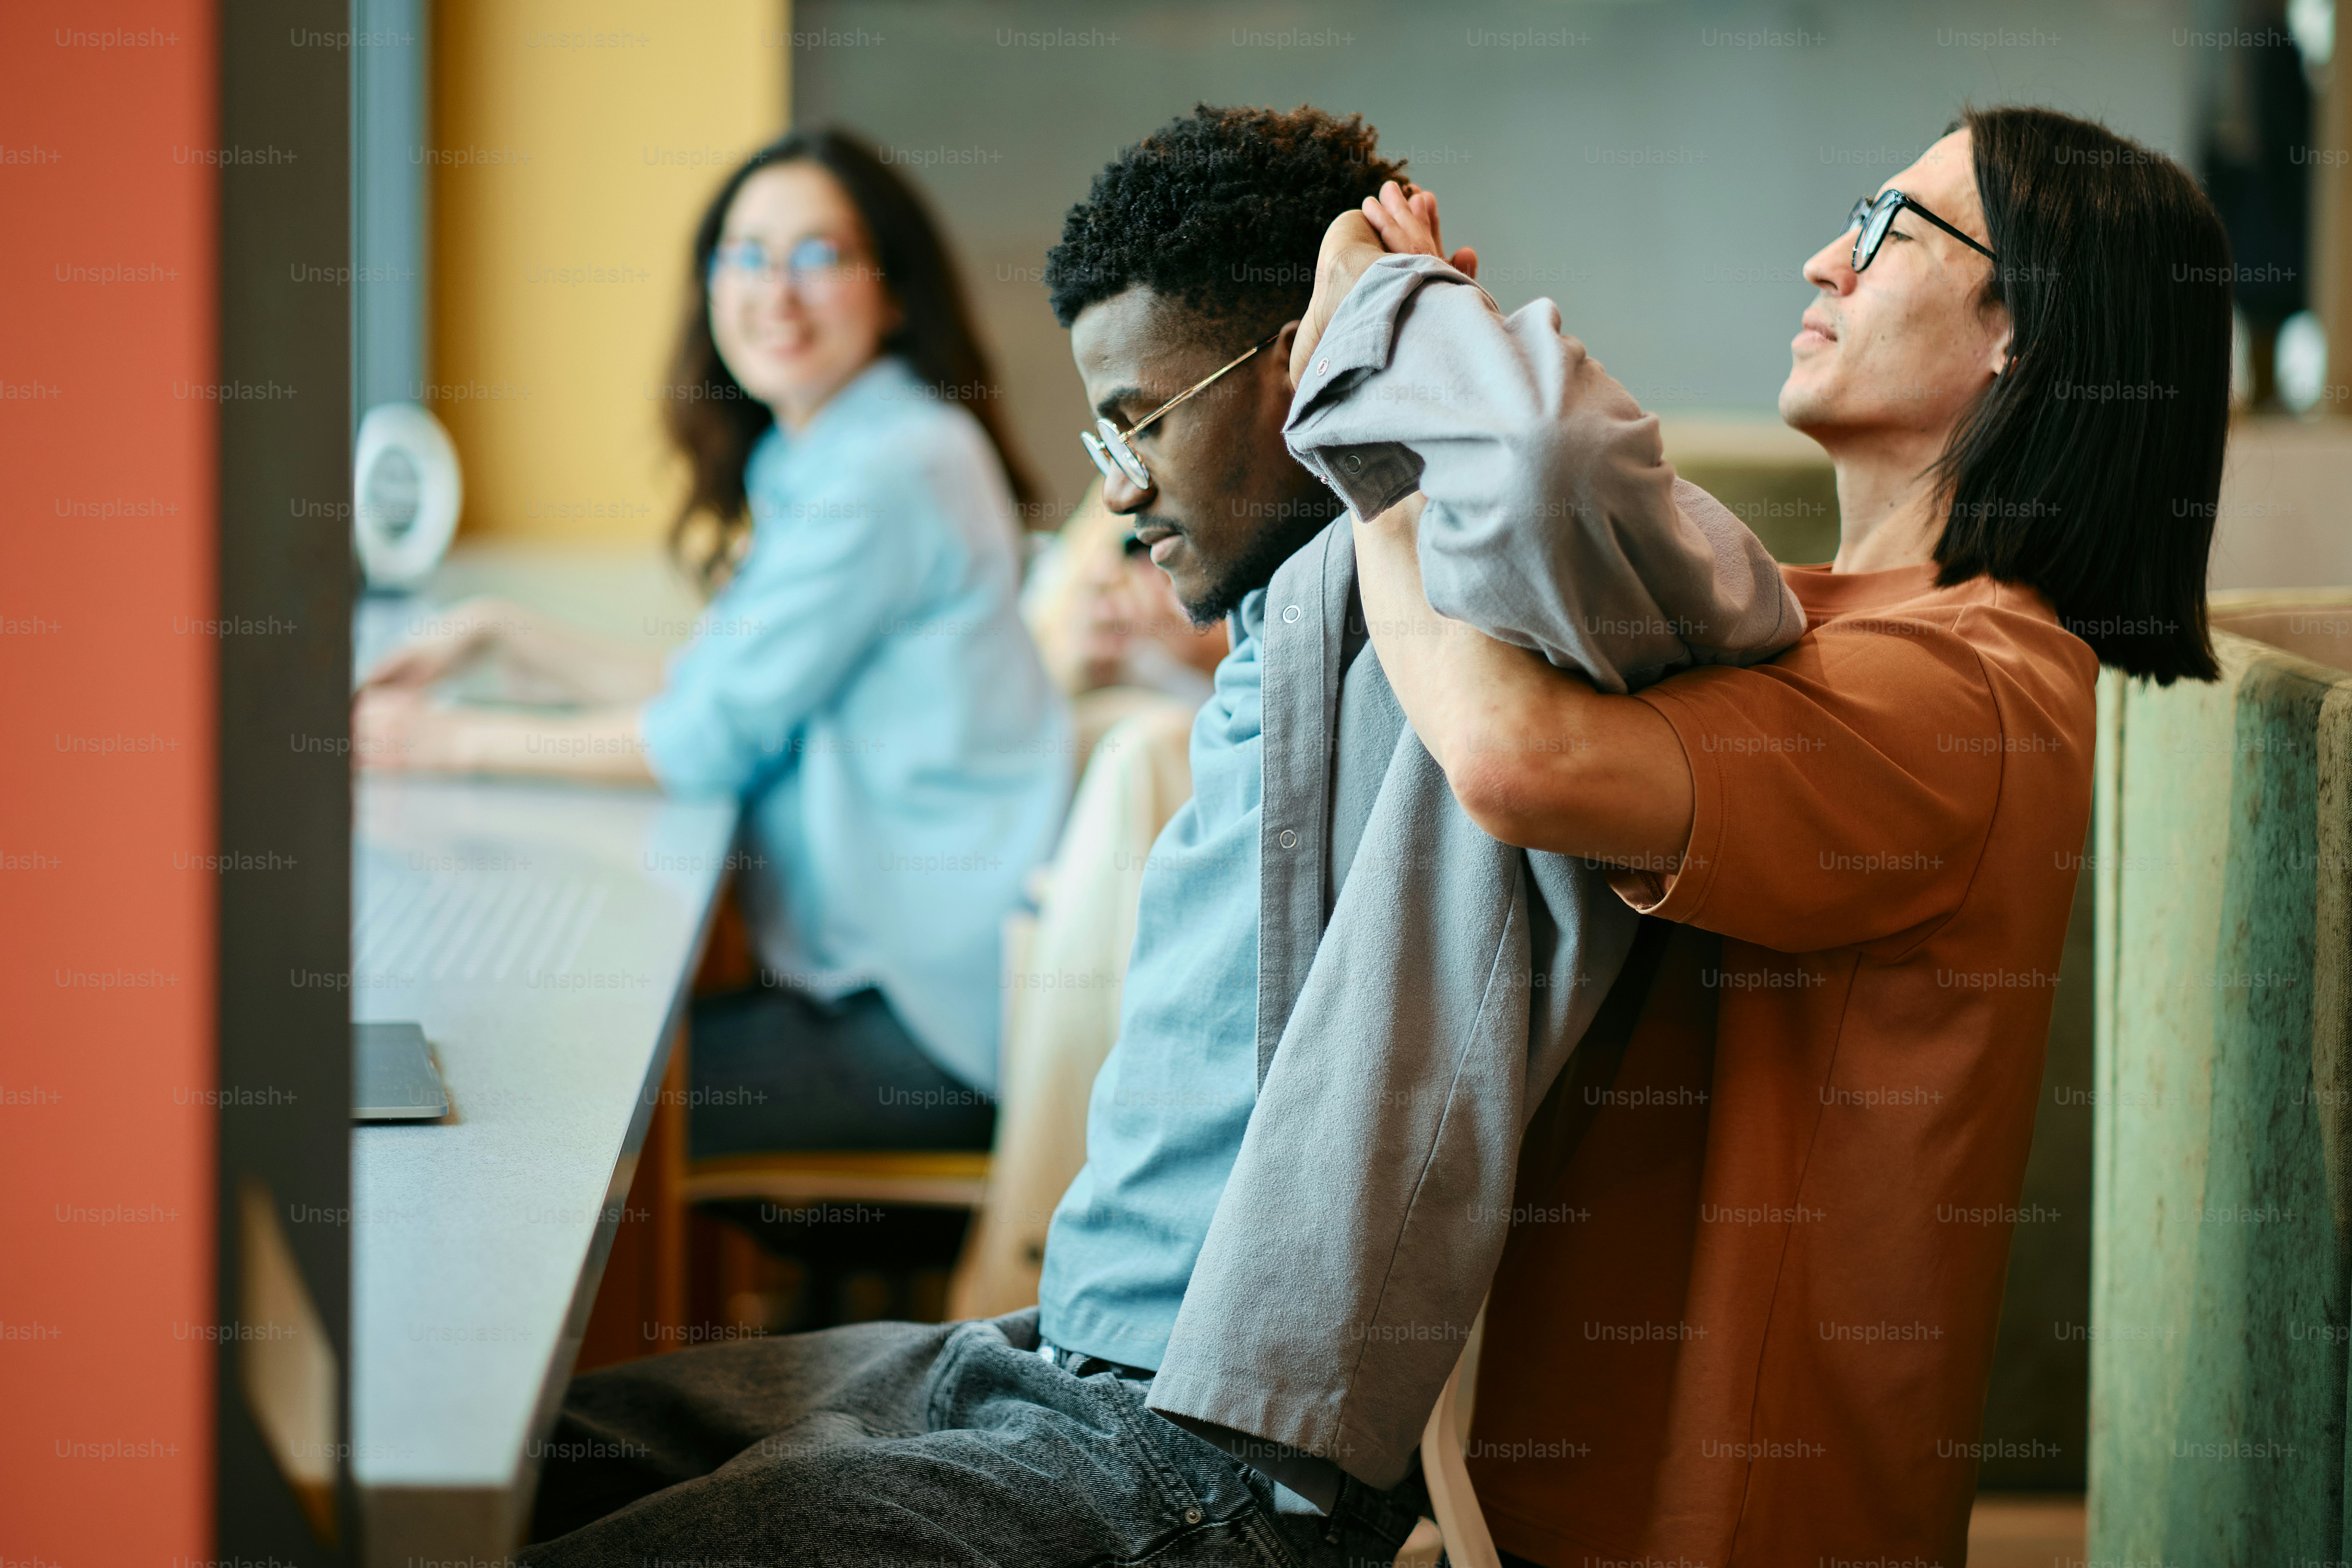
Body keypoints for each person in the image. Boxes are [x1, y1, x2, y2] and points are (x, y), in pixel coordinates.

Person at [517, 105, 1804, 1567]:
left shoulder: (1462, 606)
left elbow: (1584, 483)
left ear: (1291, 374)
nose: (1118, 483)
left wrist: (1391, 309)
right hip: (1048, 1353)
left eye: (1138, 419)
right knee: (542, 1452)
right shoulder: (1292, 603)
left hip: (1203, 1451)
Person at [1315, 109, 2228, 1563]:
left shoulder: (1967, 686)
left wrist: (1383, 442)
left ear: (2024, 334)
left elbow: (1514, 753)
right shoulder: (1822, 619)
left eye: (1885, 231)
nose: (1823, 259)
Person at [355, 129, 1071, 1152]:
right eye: (746, 254)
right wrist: (495, 632)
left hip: (922, 1022)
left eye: (819, 256)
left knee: (558, 1098)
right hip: (917, 984)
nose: (775, 291)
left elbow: (700, 740)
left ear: (894, 290)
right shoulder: (839, 444)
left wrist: (446, 743)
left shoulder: (888, 470)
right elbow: (721, 685)